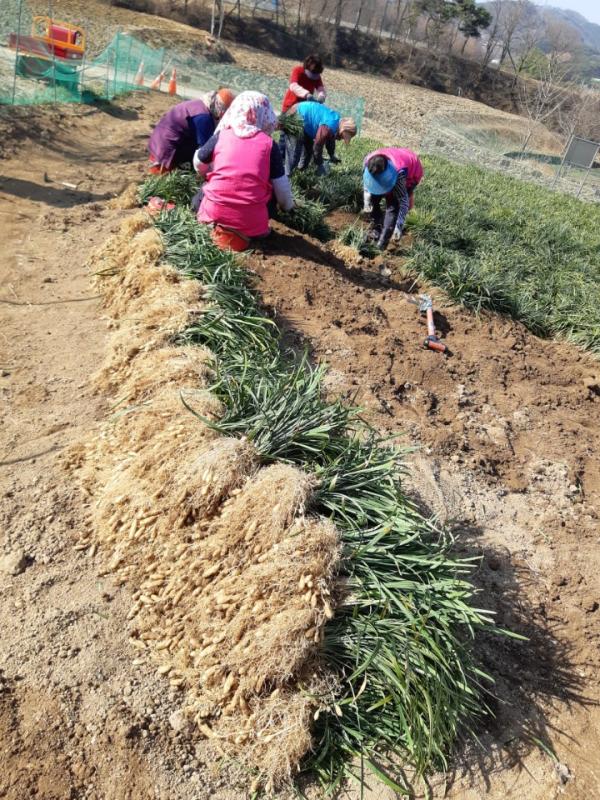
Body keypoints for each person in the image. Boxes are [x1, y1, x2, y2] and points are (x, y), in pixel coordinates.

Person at [193, 91, 295, 251]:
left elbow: (198, 163)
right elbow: (282, 188)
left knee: (201, 194)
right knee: (271, 190)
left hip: (213, 215)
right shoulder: (269, 145)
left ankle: (210, 221)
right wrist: (289, 207)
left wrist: (208, 172)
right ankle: (254, 229)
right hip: (252, 226)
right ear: (264, 115)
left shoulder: (222, 135)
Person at [147, 88, 234, 173]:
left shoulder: (201, 104)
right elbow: (204, 151)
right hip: (166, 147)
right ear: (221, 108)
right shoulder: (204, 118)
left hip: (159, 139)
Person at [362, 148, 424, 251]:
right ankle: (377, 228)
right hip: (396, 156)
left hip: (412, 170)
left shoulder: (400, 174)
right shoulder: (367, 162)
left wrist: (399, 226)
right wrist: (366, 201)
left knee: (393, 206)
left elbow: (403, 202)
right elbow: (367, 184)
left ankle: (382, 244)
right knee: (374, 197)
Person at [284, 100, 356, 176]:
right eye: (342, 136)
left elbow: (330, 140)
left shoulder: (336, 122)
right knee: (294, 152)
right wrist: (320, 164)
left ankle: (301, 171)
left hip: (305, 123)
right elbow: (317, 146)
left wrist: (331, 155)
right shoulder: (328, 127)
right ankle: (286, 176)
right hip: (295, 116)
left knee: (308, 151)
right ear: (342, 130)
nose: (341, 139)